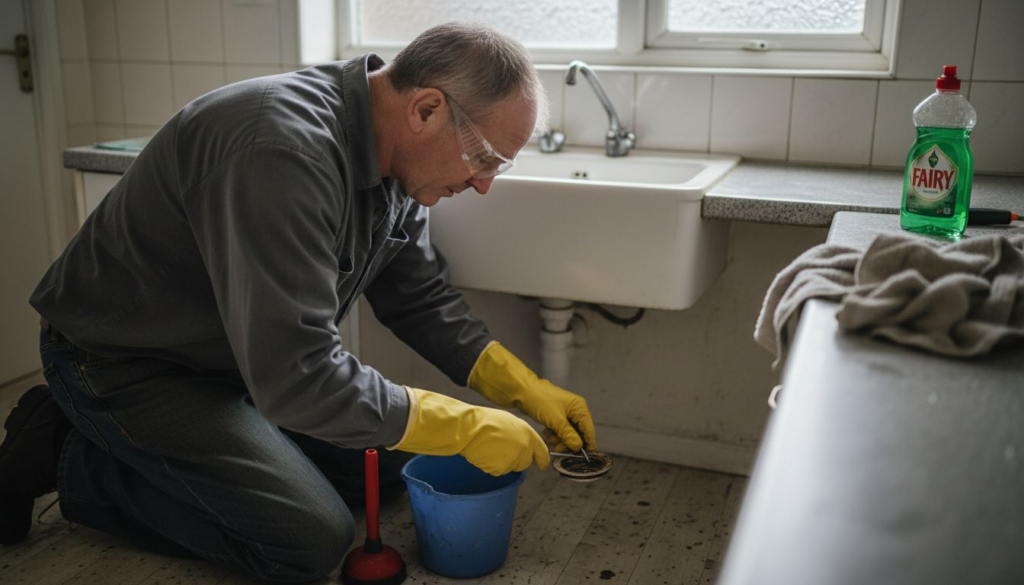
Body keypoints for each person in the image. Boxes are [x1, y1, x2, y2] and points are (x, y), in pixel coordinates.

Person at [0, 22, 596, 582]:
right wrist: (462, 425)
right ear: (427, 108)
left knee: (391, 468)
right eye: (485, 157)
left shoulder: (399, 160)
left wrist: (519, 386)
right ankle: (61, 446)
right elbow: (298, 378)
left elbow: (416, 296)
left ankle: (205, 447)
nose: (485, 183)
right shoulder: (280, 150)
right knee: (308, 541)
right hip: (123, 362)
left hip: (237, 364)